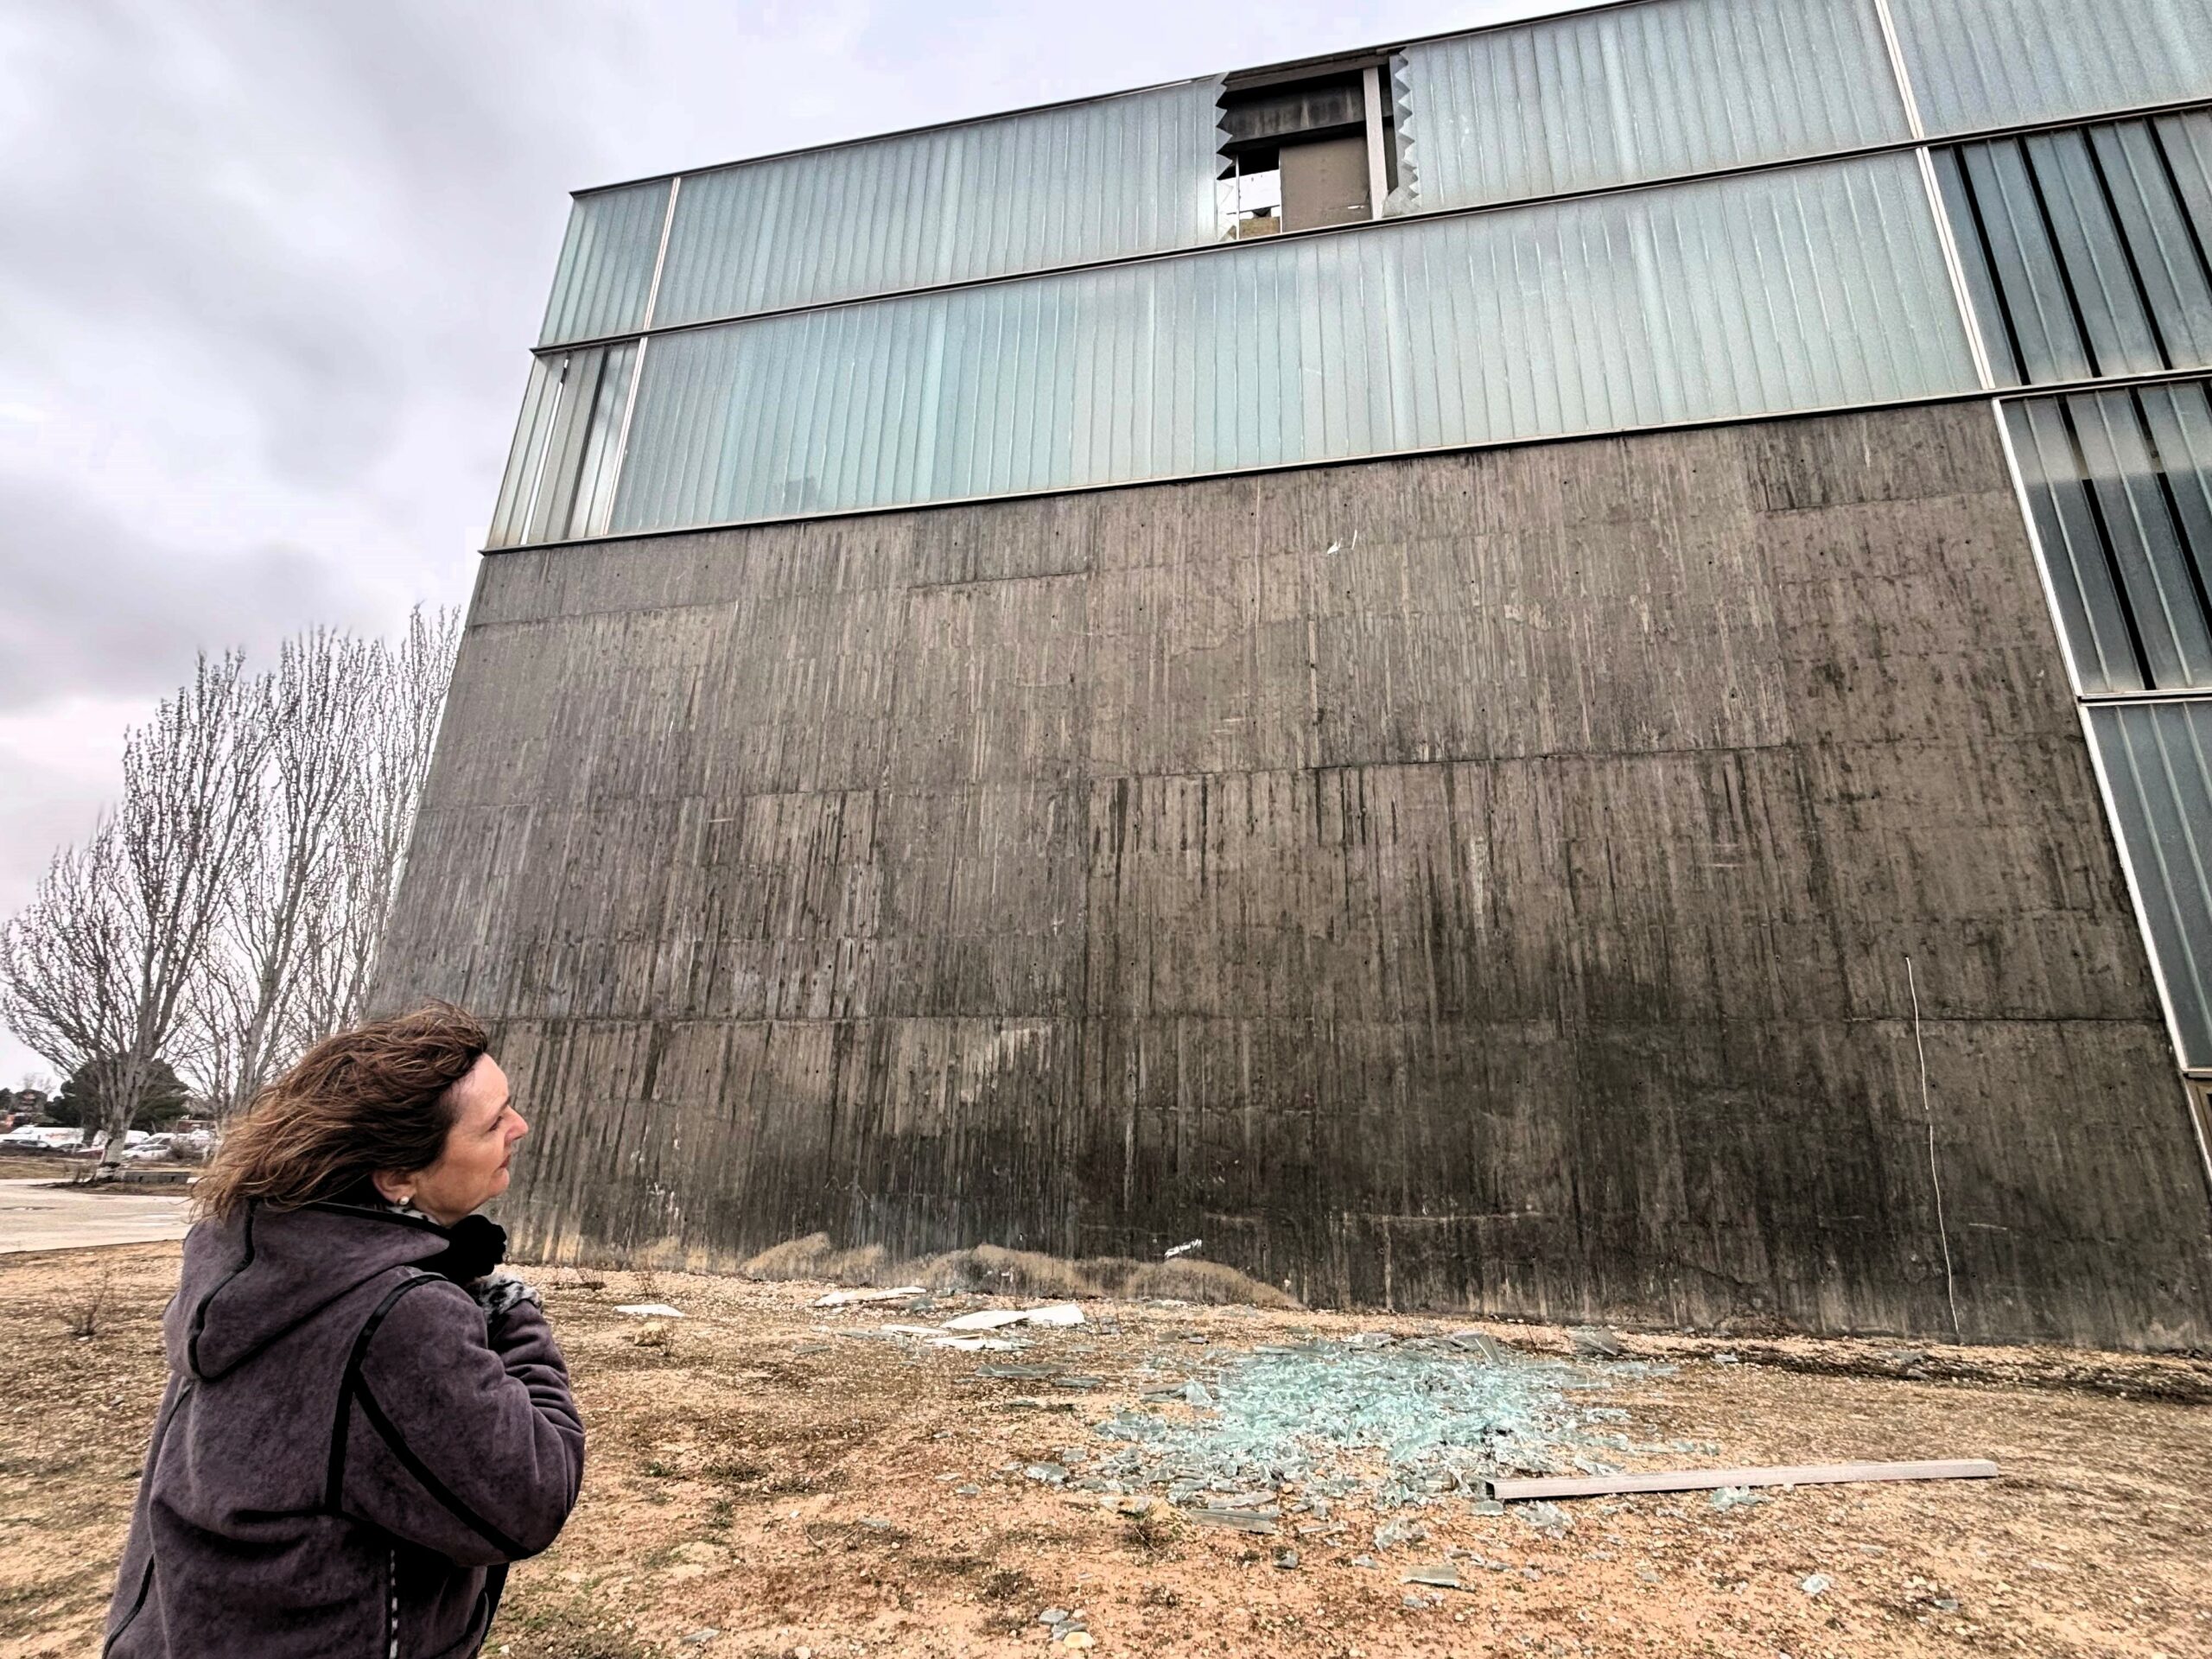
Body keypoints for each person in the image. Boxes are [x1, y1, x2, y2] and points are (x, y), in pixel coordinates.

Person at [102, 1004, 584, 1658]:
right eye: (494, 1122)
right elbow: (529, 1497)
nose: (519, 1127)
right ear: (396, 1178)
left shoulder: (253, 1256)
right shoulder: (395, 1315)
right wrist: (507, 1306)